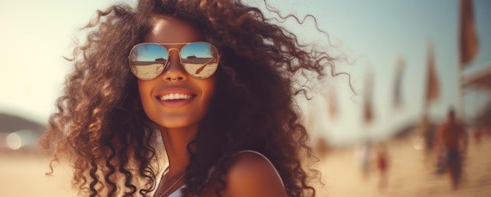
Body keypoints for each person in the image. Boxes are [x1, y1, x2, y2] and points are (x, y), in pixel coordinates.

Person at [40, 0, 339, 196]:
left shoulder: (245, 174)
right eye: (149, 58)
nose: (173, 72)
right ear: (130, 82)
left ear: (224, 76)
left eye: (197, 57)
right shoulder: (165, 183)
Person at [435, 108, 468, 190]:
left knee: (457, 170)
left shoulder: (458, 127)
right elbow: (440, 141)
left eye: (453, 118)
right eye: (450, 118)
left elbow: (465, 137)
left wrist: (464, 150)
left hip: (456, 149)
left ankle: (457, 179)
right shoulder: (444, 128)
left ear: (454, 118)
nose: (451, 120)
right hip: (448, 150)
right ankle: (453, 183)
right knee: (449, 166)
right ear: (448, 118)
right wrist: (439, 153)